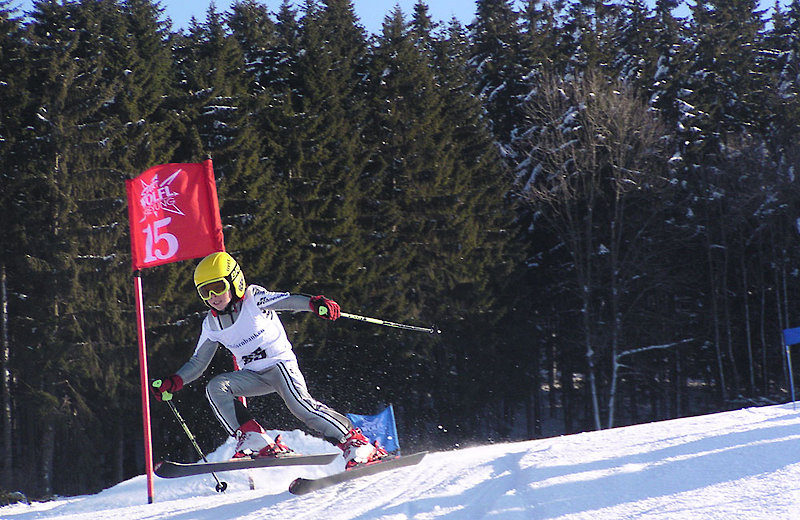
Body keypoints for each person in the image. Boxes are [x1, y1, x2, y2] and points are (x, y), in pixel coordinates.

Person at [151, 251, 387, 469]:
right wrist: (175, 381)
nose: (213, 297)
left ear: (235, 282)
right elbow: (198, 363)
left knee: (301, 407)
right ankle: (255, 440)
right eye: (205, 291)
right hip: (253, 376)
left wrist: (314, 304)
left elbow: (287, 301)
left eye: (217, 287)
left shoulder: (254, 299)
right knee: (216, 387)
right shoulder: (211, 324)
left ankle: (357, 443)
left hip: (280, 365)